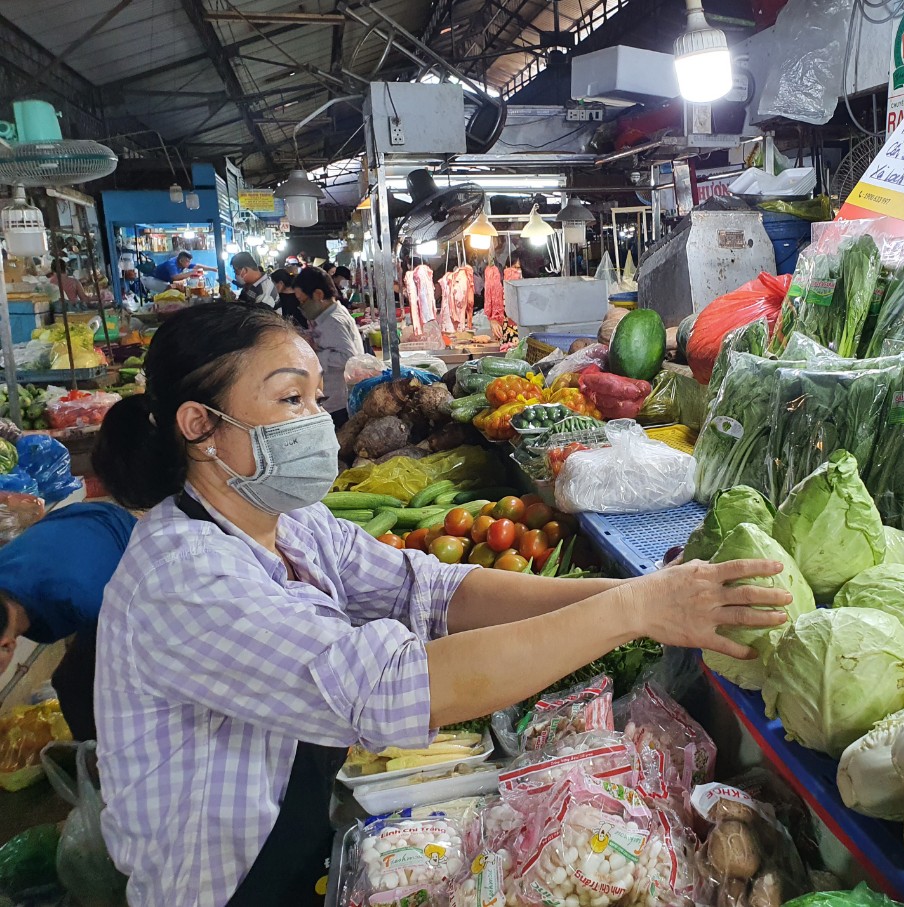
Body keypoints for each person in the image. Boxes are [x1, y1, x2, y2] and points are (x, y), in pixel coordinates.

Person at [89, 302, 787, 906]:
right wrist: (633, 613)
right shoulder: (185, 576)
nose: (316, 421)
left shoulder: (288, 520)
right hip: (228, 884)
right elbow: (393, 686)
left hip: (296, 840)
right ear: (198, 424)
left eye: (313, 398)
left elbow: (429, 589)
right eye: (289, 400)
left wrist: (628, 592)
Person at [0, 503, 137, 741]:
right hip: (78, 519)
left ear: (7, 646)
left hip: (129, 547)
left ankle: (102, 764)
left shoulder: (84, 600)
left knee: (80, 687)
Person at [292, 266, 363, 429]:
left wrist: (314, 353)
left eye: (303, 301)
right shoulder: (329, 315)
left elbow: (348, 357)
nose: (301, 307)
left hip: (337, 401)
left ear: (318, 295)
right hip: (335, 397)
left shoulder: (334, 320)